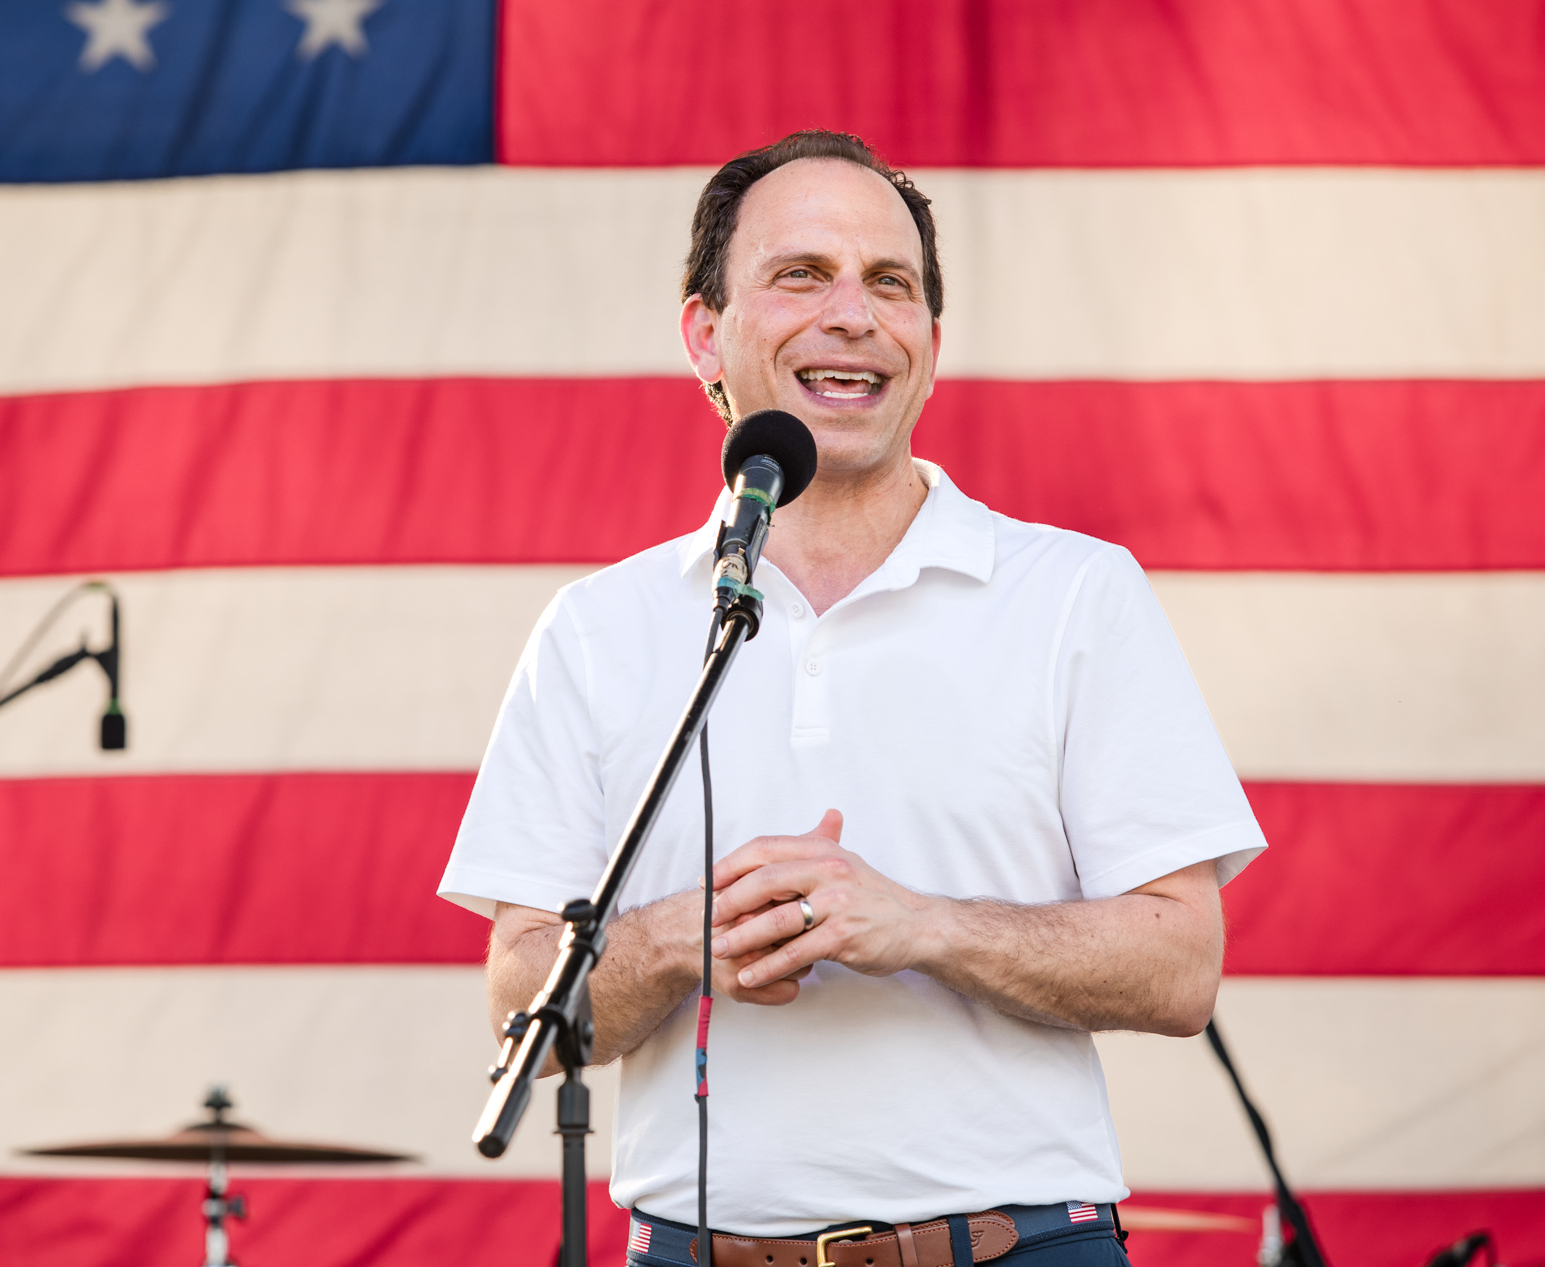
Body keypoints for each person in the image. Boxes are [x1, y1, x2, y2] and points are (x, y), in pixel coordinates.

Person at [437, 131, 1265, 1267]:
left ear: (930, 342)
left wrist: (920, 924)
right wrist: (684, 939)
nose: (853, 314)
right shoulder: (600, 626)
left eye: (891, 284)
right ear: (703, 336)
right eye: (799, 275)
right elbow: (520, 1000)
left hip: (1015, 1248)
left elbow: (1181, 965)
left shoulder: (1073, 593)